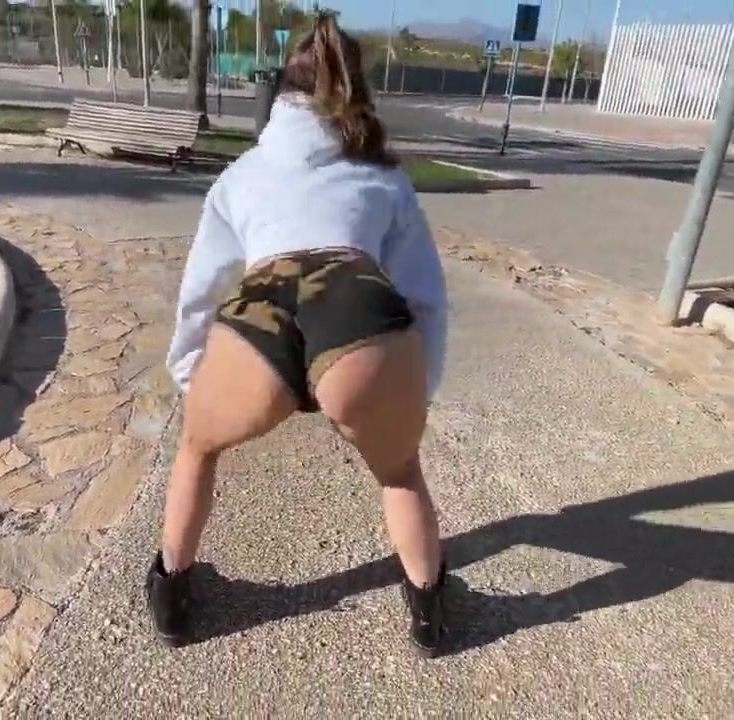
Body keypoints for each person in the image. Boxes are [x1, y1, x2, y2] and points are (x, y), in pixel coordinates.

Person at [148, 13, 450, 658]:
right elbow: (425, 293)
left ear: (279, 93)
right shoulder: (384, 177)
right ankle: (429, 614)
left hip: (262, 312)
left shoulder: (242, 173)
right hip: (359, 307)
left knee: (197, 447)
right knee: (399, 470)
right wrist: (415, 388)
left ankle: (172, 599)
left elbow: (202, 287)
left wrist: (192, 375)